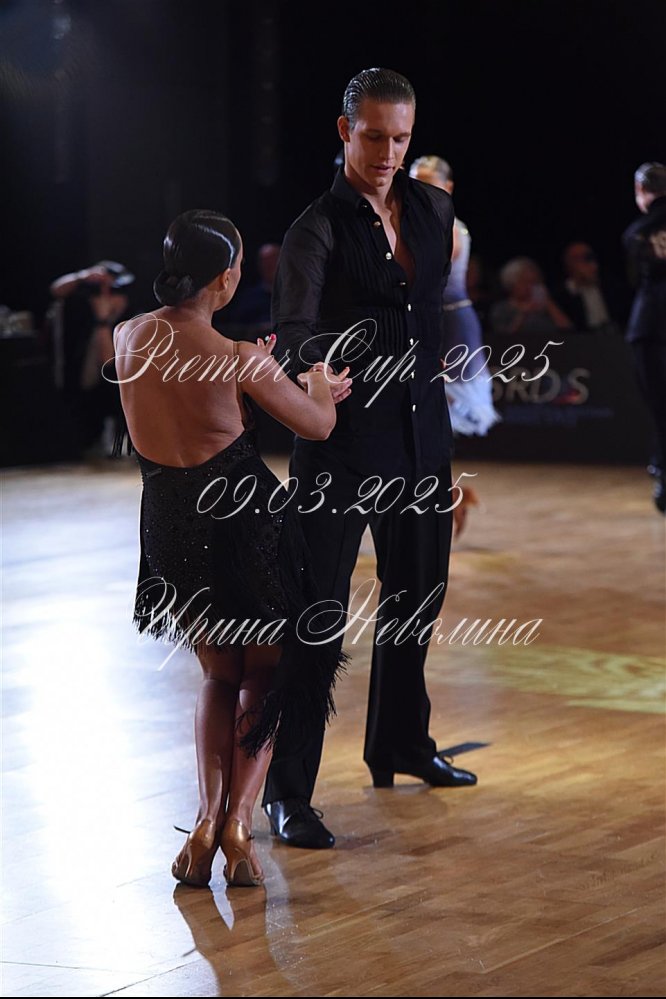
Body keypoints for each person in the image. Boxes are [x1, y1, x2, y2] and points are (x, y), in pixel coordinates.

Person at [263, 67, 478, 853]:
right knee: (315, 614)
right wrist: (324, 361)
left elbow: (432, 315)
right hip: (344, 447)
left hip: (423, 439)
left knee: (417, 597)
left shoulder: (434, 210)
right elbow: (292, 330)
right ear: (345, 130)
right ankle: (287, 791)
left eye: (402, 137)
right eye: (375, 135)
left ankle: (401, 743)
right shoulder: (315, 227)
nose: (389, 152)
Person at [112, 209, 352, 887]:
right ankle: (240, 824)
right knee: (263, 677)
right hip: (244, 525)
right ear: (223, 278)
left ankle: (202, 822)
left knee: (218, 675)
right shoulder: (238, 358)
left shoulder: (128, 335)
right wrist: (316, 385)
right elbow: (319, 424)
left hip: (169, 524)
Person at [408, 155, 500, 438]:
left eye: (429, 184)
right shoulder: (418, 224)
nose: (420, 191)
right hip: (427, 318)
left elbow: (427, 274)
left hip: (452, 322)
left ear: (447, 187)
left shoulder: (450, 226)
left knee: (449, 401)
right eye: (414, 184)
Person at [49, 260, 134, 453]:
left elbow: (108, 363)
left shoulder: (130, 321)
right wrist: (83, 276)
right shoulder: (83, 310)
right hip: (82, 386)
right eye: (100, 291)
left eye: (113, 291)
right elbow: (56, 290)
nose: (106, 297)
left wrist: (103, 320)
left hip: (114, 387)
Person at [622, 162, 666, 513]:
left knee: (660, 405)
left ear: (641, 191)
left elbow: (635, 278)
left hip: (652, 324)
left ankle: (662, 475)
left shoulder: (638, 231)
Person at [489, 256, 573, 337]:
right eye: (525, 282)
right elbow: (503, 337)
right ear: (511, 284)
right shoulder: (502, 308)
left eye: (534, 282)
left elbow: (568, 329)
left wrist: (548, 303)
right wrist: (523, 315)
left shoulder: (545, 307)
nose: (530, 287)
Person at [553, 242, 617, 332]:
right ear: (569, 263)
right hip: (583, 337)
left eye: (590, 258)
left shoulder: (609, 286)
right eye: (581, 259)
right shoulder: (562, 293)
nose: (591, 265)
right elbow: (566, 326)